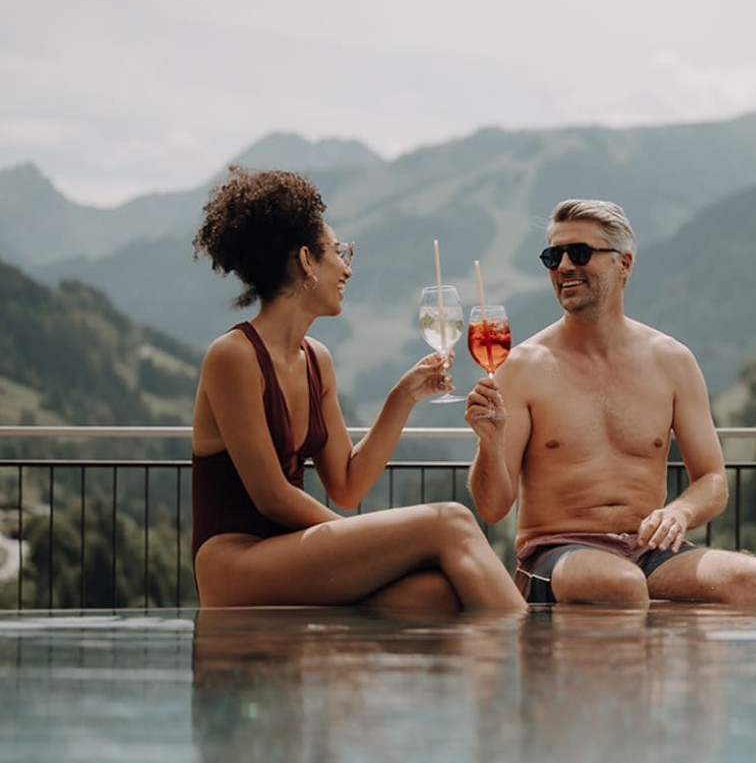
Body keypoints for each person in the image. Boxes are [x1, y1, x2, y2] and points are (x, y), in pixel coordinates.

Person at [190, 166, 524, 612]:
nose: (347, 267)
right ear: (306, 260)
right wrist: (371, 543)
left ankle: (481, 677)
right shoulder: (233, 356)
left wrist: (403, 397)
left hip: (292, 553)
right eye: (337, 252)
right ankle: (528, 660)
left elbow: (346, 485)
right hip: (234, 563)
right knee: (451, 521)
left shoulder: (316, 360)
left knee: (435, 597)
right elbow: (271, 496)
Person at [464, 198, 756, 605]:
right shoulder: (523, 367)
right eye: (553, 255)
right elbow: (492, 509)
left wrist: (679, 513)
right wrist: (489, 443)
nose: (564, 266)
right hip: (557, 551)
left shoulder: (672, 361)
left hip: (650, 552)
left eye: (579, 253)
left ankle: (667, 664)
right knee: (619, 585)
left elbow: (713, 481)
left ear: (624, 263)